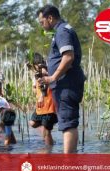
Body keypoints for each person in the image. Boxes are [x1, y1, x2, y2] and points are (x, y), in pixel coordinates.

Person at [37, 5, 85, 153]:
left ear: (50, 18)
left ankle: (69, 165)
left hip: (67, 84)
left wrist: (52, 77)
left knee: (68, 123)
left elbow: (68, 56)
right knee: (67, 122)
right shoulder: (62, 30)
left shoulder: (62, 31)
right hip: (66, 83)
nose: (42, 25)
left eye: (42, 22)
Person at [28, 53, 57, 146]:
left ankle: (48, 151)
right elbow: (36, 87)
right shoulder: (37, 73)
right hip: (41, 107)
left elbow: (46, 82)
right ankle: (50, 143)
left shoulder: (43, 71)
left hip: (48, 105)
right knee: (33, 123)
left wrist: (41, 96)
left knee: (46, 132)